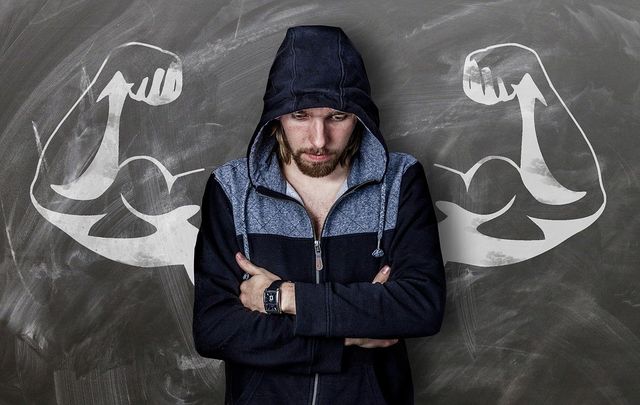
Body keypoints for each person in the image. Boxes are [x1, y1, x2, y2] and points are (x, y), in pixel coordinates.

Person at [192, 25, 446, 404]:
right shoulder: (231, 188)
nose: (318, 140)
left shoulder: (400, 181)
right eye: (300, 115)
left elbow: (420, 307)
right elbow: (215, 330)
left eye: (337, 117)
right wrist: (345, 337)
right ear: (276, 116)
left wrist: (285, 299)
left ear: (359, 117)